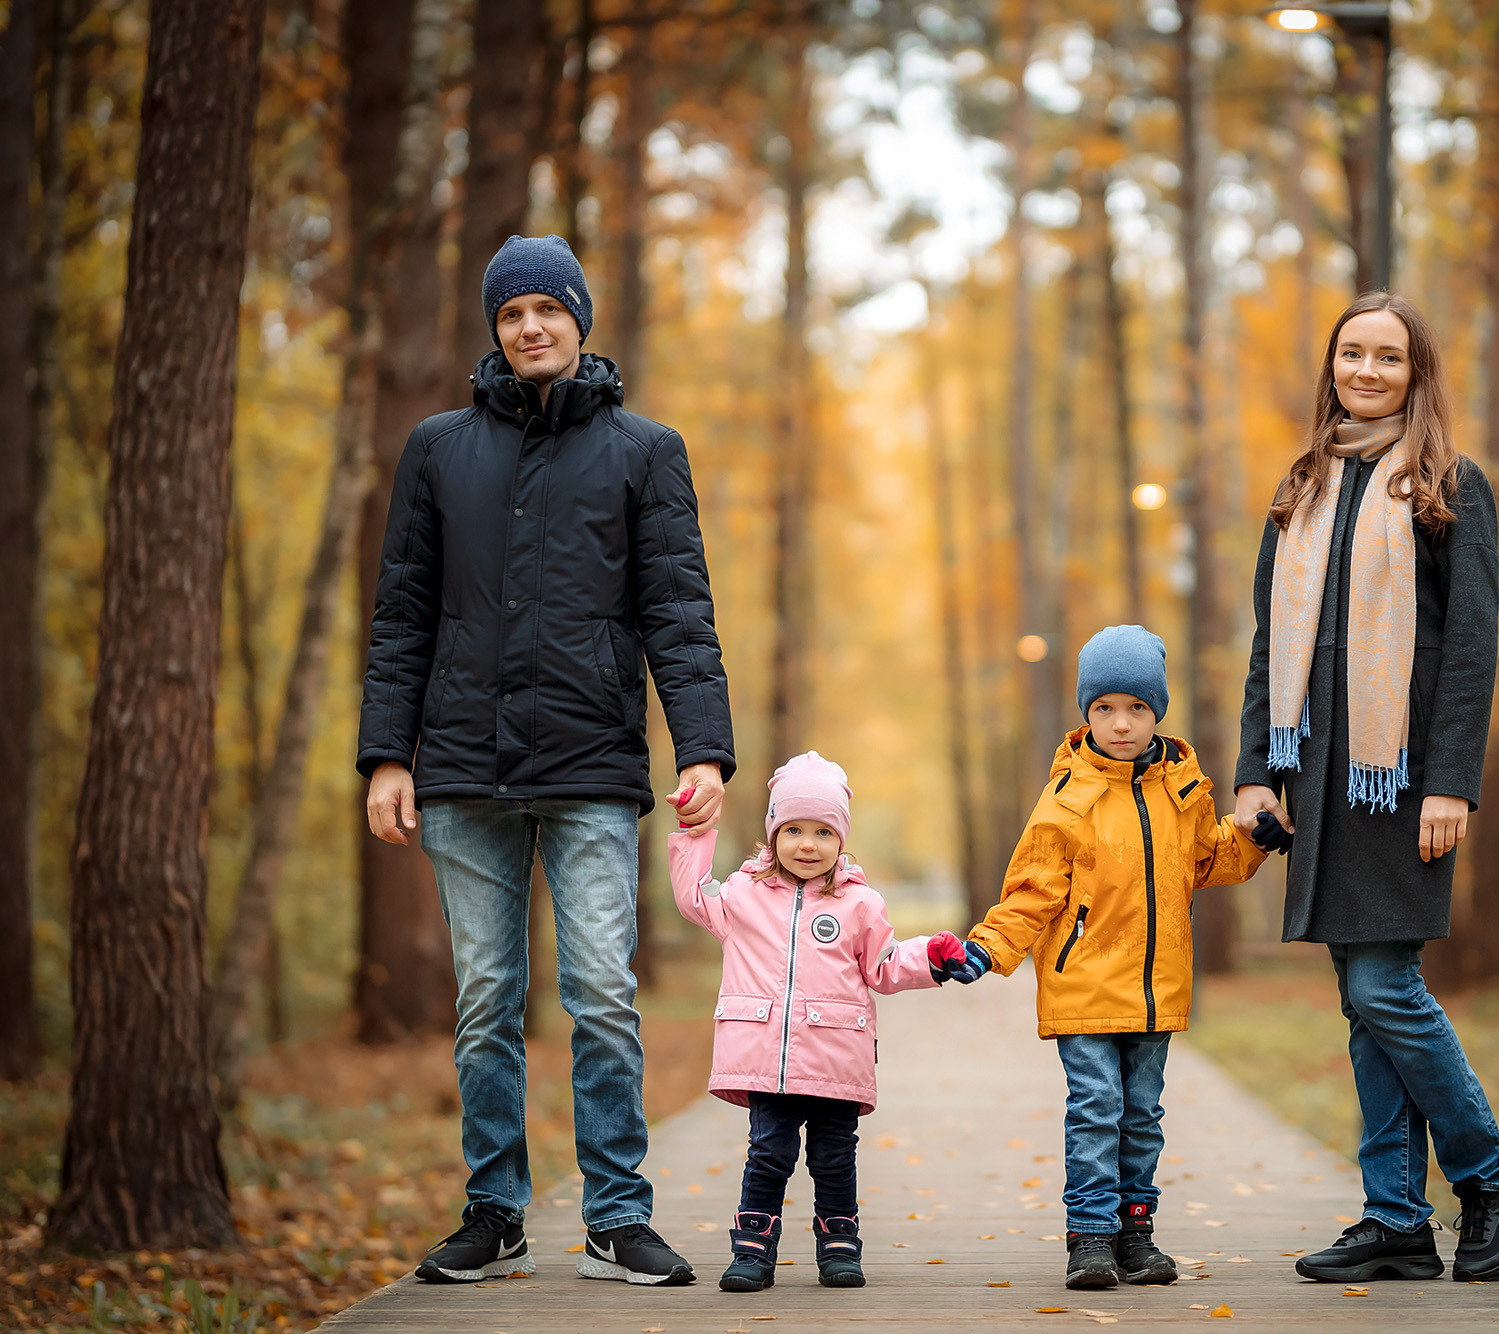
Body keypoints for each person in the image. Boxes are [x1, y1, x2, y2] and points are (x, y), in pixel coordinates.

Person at [357, 234, 734, 1288]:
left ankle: (616, 1213)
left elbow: (678, 610)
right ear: (496, 329)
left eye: (546, 310)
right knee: (485, 1002)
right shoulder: (436, 449)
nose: (529, 327)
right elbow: (401, 616)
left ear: (579, 319)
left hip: (592, 768)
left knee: (602, 995)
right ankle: (494, 1209)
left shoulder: (645, 450)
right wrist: (388, 754)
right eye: (510, 313)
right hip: (462, 774)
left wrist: (703, 745)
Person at [1231, 291, 1499, 1285]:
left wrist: (1450, 782)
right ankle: (1395, 1216)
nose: (1365, 369)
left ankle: (1486, 1182)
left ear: (1416, 373)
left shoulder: (1448, 485)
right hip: (1316, 774)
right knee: (1362, 1003)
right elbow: (1270, 645)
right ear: (1330, 366)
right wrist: (1253, 773)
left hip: (1397, 777)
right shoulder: (1303, 486)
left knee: (1381, 985)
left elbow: (1471, 649)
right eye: (1350, 353)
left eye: (1386, 357)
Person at [953, 625, 1268, 1291]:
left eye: (1135, 708)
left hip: (1155, 989)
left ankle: (1136, 1233)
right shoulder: (1068, 799)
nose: (1120, 724)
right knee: (1097, 1107)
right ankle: (1089, 1237)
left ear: (1157, 711)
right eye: (1103, 709)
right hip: (1084, 983)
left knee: (1142, 1114)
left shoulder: (1182, 790)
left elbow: (1209, 859)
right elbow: (1033, 891)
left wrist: (1256, 841)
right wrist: (988, 946)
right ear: (1085, 713)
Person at [667, 752, 981, 1292]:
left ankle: (839, 1245)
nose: (806, 845)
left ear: (841, 840)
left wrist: (931, 956)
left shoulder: (858, 903)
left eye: (822, 832)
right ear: (772, 833)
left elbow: (883, 966)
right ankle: (752, 1249)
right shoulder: (743, 896)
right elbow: (693, 897)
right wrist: (698, 828)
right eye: (792, 830)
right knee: (768, 1154)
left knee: (834, 1158)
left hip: (836, 1060)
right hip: (766, 1059)